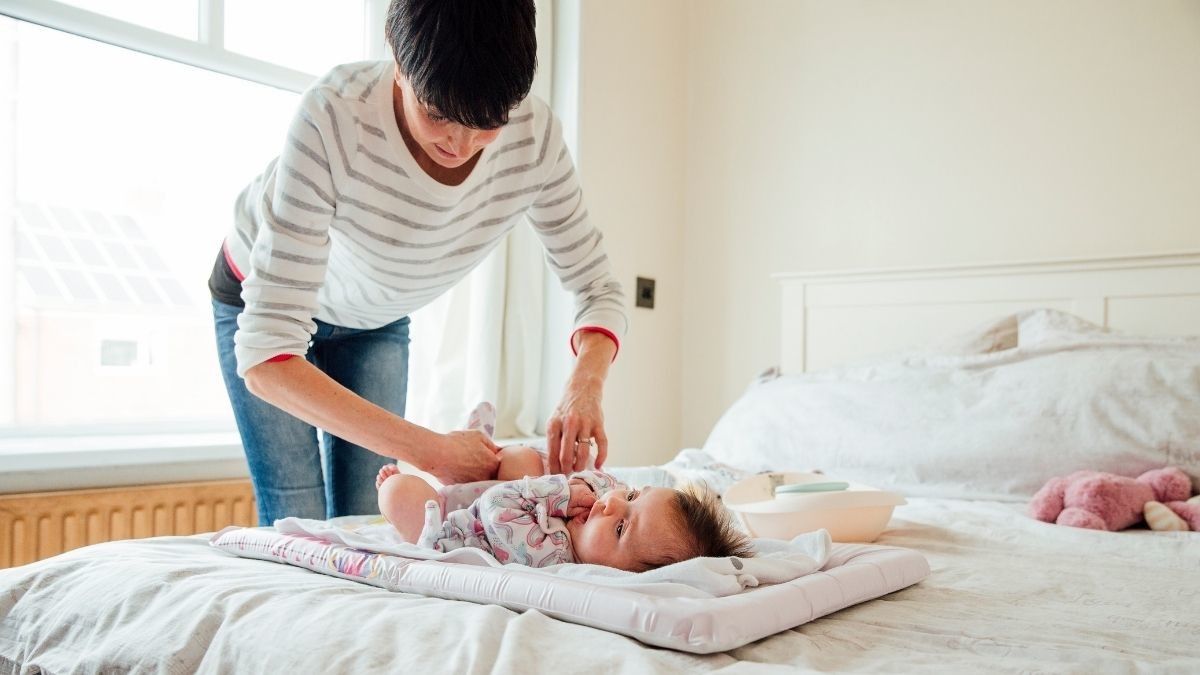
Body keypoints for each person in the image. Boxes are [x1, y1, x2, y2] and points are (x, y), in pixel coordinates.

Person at [208, 0, 626, 525]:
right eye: (437, 114)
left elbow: (599, 288)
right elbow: (268, 354)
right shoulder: (335, 114)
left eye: (488, 125)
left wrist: (583, 385)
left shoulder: (534, 140)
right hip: (261, 302)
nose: (461, 144)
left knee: (370, 519)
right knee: (298, 518)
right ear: (396, 57)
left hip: (376, 315)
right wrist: (433, 450)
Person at [374, 464, 754, 571]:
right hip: (495, 500)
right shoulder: (599, 511)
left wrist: (559, 492)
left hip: (454, 528)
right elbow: (608, 481)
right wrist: (584, 485)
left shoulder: (549, 554)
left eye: (621, 528)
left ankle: (440, 490)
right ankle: (467, 471)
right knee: (525, 458)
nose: (612, 503)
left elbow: (497, 507)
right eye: (634, 496)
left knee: (399, 492)